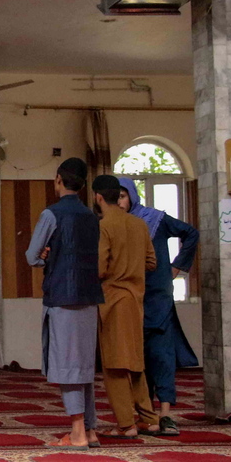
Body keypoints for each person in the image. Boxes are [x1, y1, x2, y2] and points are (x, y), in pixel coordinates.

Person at [26, 158, 105, 449]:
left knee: (69, 365)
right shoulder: (91, 216)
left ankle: (77, 432)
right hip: (89, 297)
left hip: (62, 296)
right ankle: (91, 429)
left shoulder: (52, 214)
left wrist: (44, 257)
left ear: (58, 179)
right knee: (84, 365)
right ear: (83, 185)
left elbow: (32, 256)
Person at [117, 176, 199, 435]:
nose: (119, 201)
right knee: (137, 359)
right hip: (131, 299)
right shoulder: (114, 225)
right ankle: (146, 414)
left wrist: (177, 267)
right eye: (115, 197)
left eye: (122, 196)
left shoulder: (155, 219)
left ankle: (165, 415)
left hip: (158, 298)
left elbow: (191, 233)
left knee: (162, 356)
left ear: (132, 195)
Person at [91, 174, 159, 438]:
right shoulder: (139, 224)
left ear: (98, 197)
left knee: (115, 365)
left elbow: (100, 268)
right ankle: (149, 419)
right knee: (135, 361)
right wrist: (132, 269)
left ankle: (125, 424)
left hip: (114, 301)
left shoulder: (104, 226)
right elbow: (151, 262)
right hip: (136, 300)